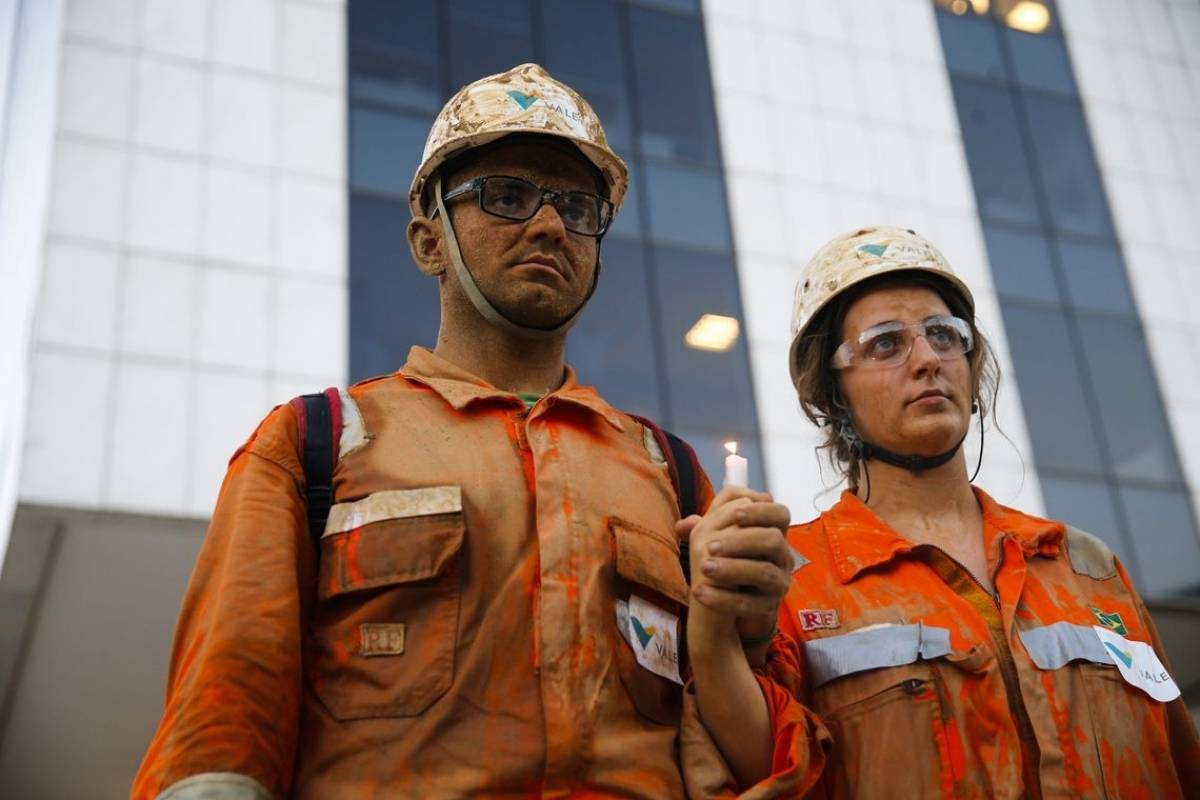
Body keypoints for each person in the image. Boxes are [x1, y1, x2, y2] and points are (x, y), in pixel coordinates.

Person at [131, 63, 816, 799]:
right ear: (430, 244)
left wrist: (740, 628)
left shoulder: (669, 474)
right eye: (509, 196)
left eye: (577, 207)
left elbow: (758, 745)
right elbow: (224, 723)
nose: (551, 224)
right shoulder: (317, 444)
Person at [745, 225, 1198, 797]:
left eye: (943, 334)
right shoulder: (792, 582)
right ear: (830, 391)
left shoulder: (1088, 568)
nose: (928, 359)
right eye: (886, 342)